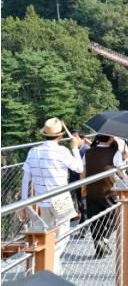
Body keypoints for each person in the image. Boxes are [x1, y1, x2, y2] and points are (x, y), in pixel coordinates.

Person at [20, 118, 84, 275]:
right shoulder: (62, 151)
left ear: (44, 134)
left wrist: (23, 203)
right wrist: (75, 148)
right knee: (62, 237)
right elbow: (79, 168)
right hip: (61, 200)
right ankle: (52, 270)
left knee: (44, 236)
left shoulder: (33, 152)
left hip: (42, 201)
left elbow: (26, 178)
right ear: (60, 136)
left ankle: (46, 270)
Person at [84, 134, 125, 258]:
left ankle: (99, 251)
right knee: (115, 216)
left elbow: (83, 171)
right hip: (108, 191)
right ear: (110, 138)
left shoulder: (88, 152)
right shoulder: (115, 153)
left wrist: (83, 189)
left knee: (94, 220)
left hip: (91, 190)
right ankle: (104, 239)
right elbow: (121, 172)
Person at [68, 130, 91, 238]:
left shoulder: (86, 150)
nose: (73, 140)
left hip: (83, 182)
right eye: (72, 137)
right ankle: (83, 228)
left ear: (82, 139)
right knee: (81, 205)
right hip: (76, 181)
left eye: (76, 137)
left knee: (83, 206)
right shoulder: (75, 149)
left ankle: (83, 230)